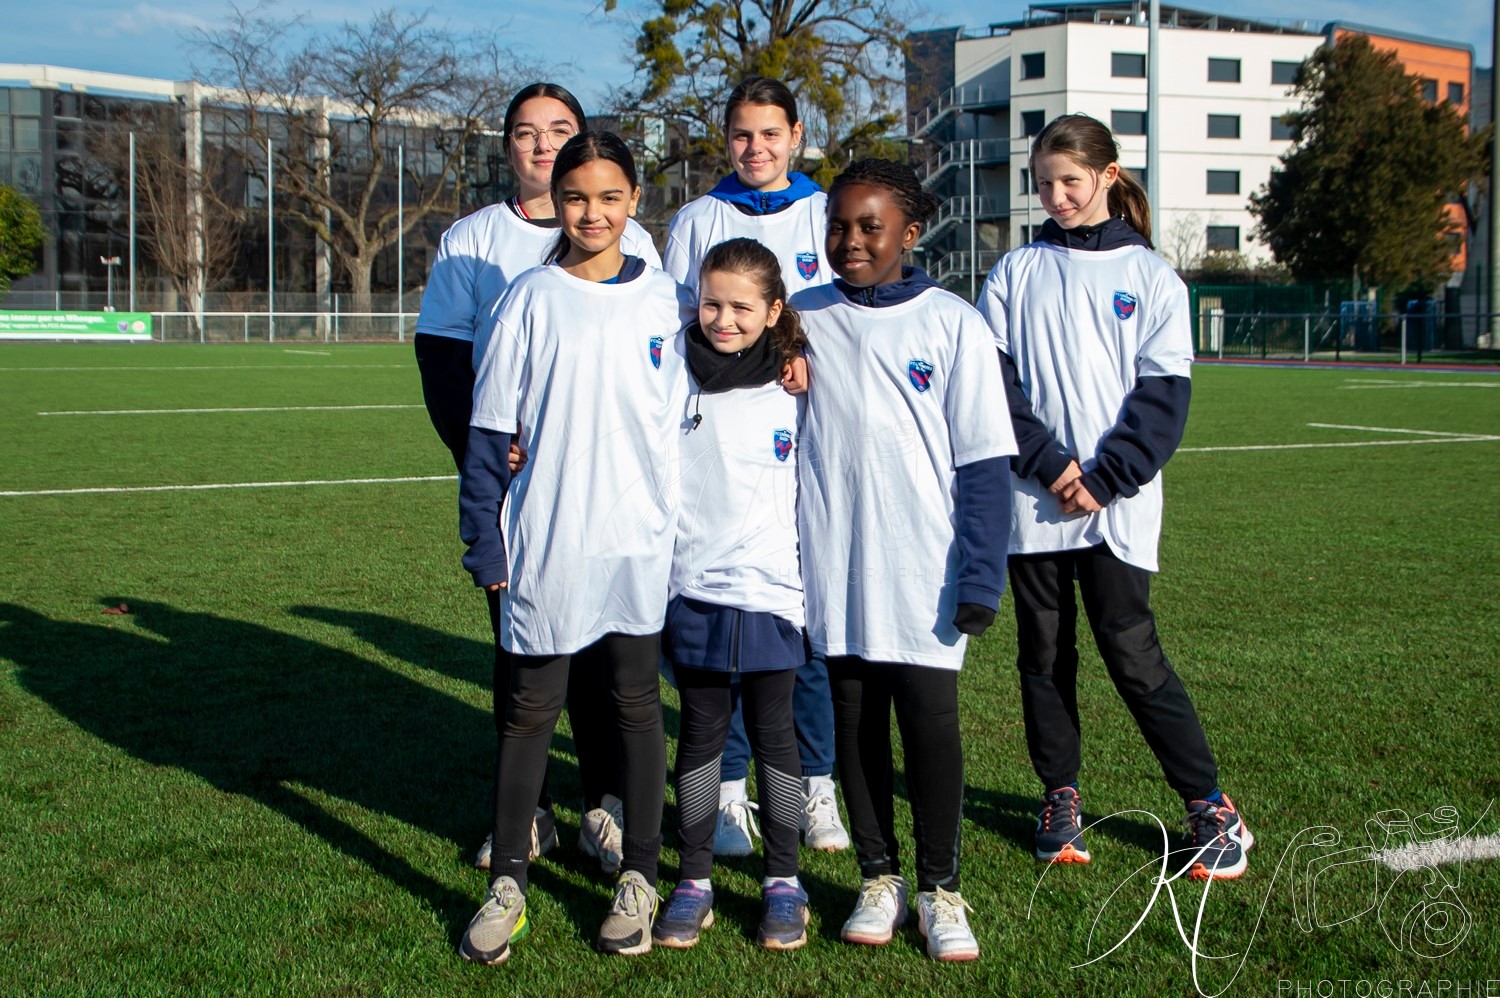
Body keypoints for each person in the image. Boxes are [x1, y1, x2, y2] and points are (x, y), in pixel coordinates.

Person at [977, 112, 1251, 880]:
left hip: (1115, 505)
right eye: (1043, 184)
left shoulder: (1153, 277)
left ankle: (1210, 805)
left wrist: (1103, 477)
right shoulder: (1015, 272)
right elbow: (992, 384)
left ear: (1108, 174)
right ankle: (1059, 797)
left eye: (1070, 181)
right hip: (1035, 501)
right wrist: (1050, 464)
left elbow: (1163, 399)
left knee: (1131, 652)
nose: (1056, 197)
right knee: (1043, 655)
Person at [414, 83, 659, 877]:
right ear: (509, 146)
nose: (542, 143)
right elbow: (443, 360)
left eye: (559, 129)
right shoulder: (473, 240)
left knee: (609, 661)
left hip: (612, 494)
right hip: (526, 493)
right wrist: (486, 457)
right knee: (523, 656)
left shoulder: (637, 244)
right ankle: (530, 818)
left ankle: (606, 805)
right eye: (526, 132)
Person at [456, 131, 688, 964]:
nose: (593, 213)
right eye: (577, 197)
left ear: (635, 202)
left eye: (610, 197)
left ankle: (641, 879)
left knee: (635, 706)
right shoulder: (528, 298)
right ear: (555, 201)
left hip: (637, 543)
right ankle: (507, 886)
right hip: (547, 540)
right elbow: (489, 433)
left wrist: (791, 356)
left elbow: (718, 388)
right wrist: (483, 540)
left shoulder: (669, 301)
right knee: (529, 711)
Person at [792, 159, 1017, 962]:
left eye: (870, 227)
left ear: (910, 234)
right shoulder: (802, 317)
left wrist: (982, 574)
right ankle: (877, 878)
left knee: (929, 725)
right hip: (833, 565)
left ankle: (940, 889)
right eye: (838, 226)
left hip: (926, 568)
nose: (850, 241)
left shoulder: (953, 323)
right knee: (854, 723)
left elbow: (986, 463)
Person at [662, 74, 847, 858]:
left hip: (803, 430)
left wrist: (803, 357)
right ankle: (728, 794)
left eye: (771, 133)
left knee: (801, 635)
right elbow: (682, 322)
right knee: (718, 655)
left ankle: (817, 789)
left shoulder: (824, 211)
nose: (755, 148)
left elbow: (839, 315)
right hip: (720, 438)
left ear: (796, 136)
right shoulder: (698, 218)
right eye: (741, 134)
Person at [652, 238, 812, 952]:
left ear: (773, 312)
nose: (723, 319)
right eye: (711, 304)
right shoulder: (673, 375)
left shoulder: (796, 383)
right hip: (693, 590)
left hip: (775, 591)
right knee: (700, 735)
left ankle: (784, 880)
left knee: (776, 737)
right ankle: (694, 880)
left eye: (742, 307)